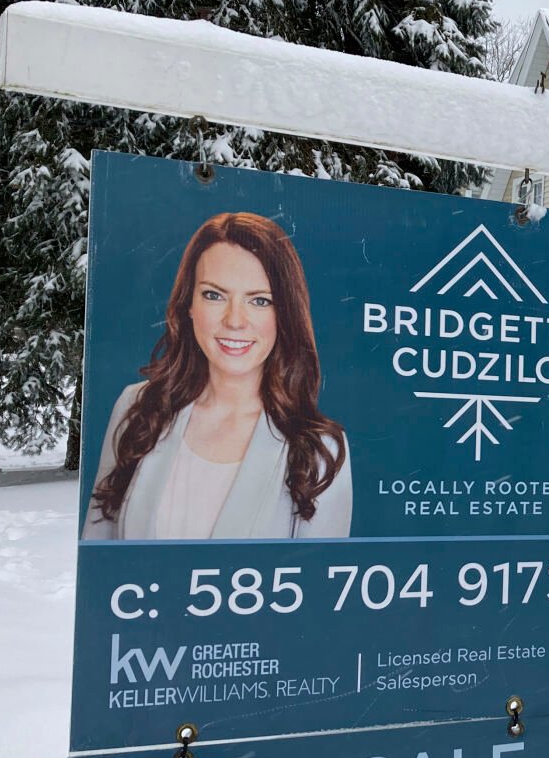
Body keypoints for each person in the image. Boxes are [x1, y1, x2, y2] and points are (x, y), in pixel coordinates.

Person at [83, 212, 352, 540]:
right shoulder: (138, 407)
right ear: (189, 305)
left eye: (260, 300)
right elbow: (99, 559)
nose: (235, 320)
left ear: (285, 315)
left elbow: (316, 585)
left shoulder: (320, 448)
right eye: (214, 295)